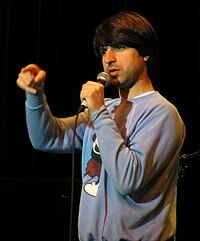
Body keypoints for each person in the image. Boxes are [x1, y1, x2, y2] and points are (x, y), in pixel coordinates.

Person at [16, 10, 186, 241]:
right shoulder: (106, 110)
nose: (109, 59)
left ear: (145, 52)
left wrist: (98, 112)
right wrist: (35, 96)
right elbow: (48, 138)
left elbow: (128, 180)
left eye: (119, 47)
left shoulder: (162, 113)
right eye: (104, 50)